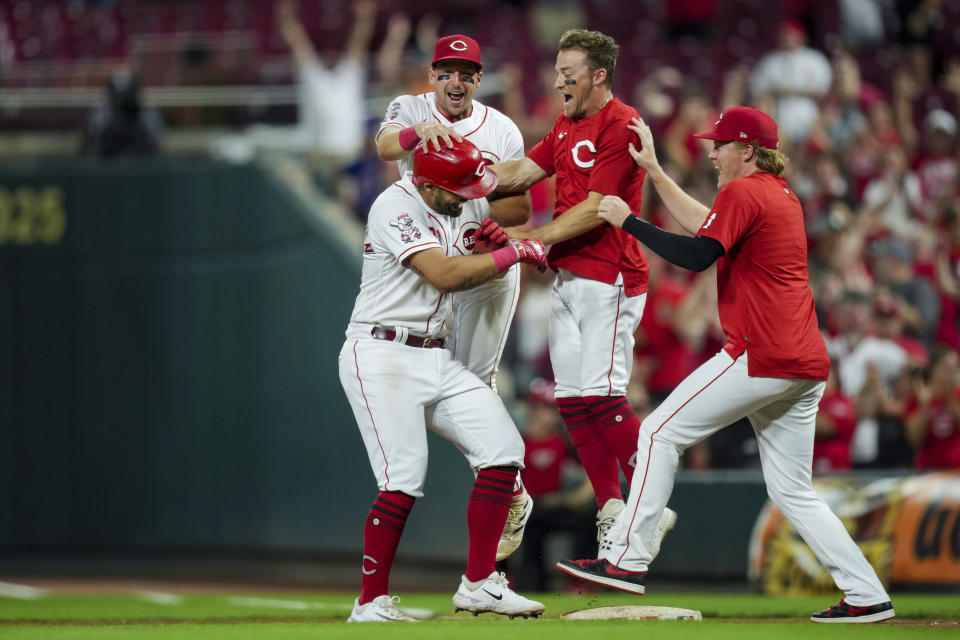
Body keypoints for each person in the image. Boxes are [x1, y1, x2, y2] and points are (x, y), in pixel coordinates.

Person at [556, 106, 895, 623]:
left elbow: (697, 256)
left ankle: (625, 561)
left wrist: (631, 222)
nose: (711, 153)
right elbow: (706, 227)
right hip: (804, 362)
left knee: (657, 435)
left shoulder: (743, 192)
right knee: (794, 492)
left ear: (748, 151)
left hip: (761, 352)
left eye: (720, 144)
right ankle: (867, 593)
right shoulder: (777, 194)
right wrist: (655, 171)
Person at [483, 28, 676, 554]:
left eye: (568, 74)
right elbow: (524, 171)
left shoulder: (622, 124)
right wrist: (471, 179)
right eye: (556, 72)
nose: (558, 82)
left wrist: (531, 238)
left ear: (598, 75)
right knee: (571, 401)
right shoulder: (567, 122)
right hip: (569, 277)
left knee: (602, 395)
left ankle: (652, 506)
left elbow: (597, 206)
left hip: (610, 276)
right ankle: (612, 508)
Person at [338, 137, 546, 622]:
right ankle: (370, 602)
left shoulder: (457, 198)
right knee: (403, 479)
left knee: (503, 450)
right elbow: (444, 274)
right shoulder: (393, 205)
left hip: (435, 354)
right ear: (426, 183)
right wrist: (511, 254)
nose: (470, 196)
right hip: (381, 353)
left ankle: (478, 584)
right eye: (459, 187)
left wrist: (495, 253)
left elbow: (504, 220)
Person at [374, 34, 535, 562]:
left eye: (467, 73)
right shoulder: (411, 108)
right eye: (447, 71)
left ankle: (506, 489)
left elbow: (519, 212)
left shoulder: (502, 129)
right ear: (433, 76)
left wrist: (486, 220)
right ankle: (506, 483)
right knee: (425, 394)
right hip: (427, 261)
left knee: (474, 382)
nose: (456, 81)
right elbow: (383, 146)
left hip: (481, 265)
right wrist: (416, 131)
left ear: (479, 80)